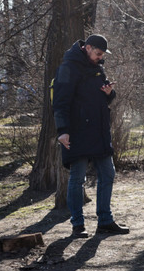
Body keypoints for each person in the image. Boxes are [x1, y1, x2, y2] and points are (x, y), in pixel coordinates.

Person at [53, 34, 129, 238]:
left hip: (99, 131)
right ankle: (78, 225)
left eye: (102, 55)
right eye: (98, 53)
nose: (100, 57)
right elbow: (60, 102)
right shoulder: (67, 68)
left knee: (108, 174)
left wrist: (108, 93)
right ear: (87, 48)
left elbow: (105, 98)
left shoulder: (98, 67)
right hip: (76, 132)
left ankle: (105, 220)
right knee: (77, 178)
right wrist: (62, 131)